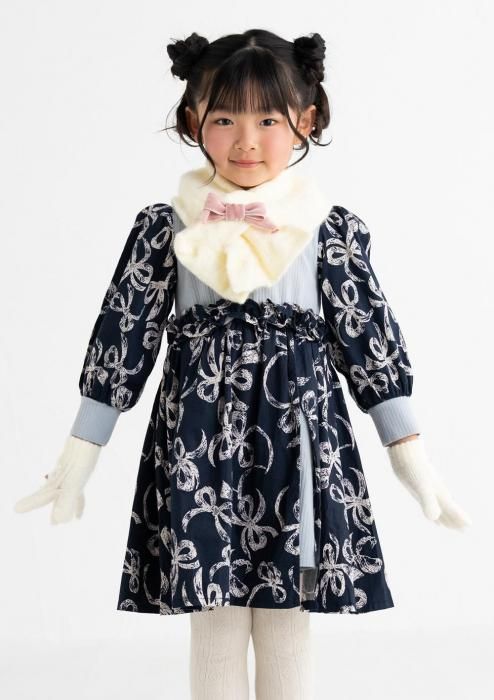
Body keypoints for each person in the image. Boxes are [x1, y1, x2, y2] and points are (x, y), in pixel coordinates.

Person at [14, 28, 472, 700]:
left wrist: (412, 459)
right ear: (193, 121)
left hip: (297, 450)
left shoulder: (326, 229)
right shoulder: (167, 227)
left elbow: (367, 340)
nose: (246, 141)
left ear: (306, 121)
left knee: (286, 624)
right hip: (198, 450)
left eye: (269, 120)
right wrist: (78, 457)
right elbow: (123, 339)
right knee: (215, 625)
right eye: (225, 119)